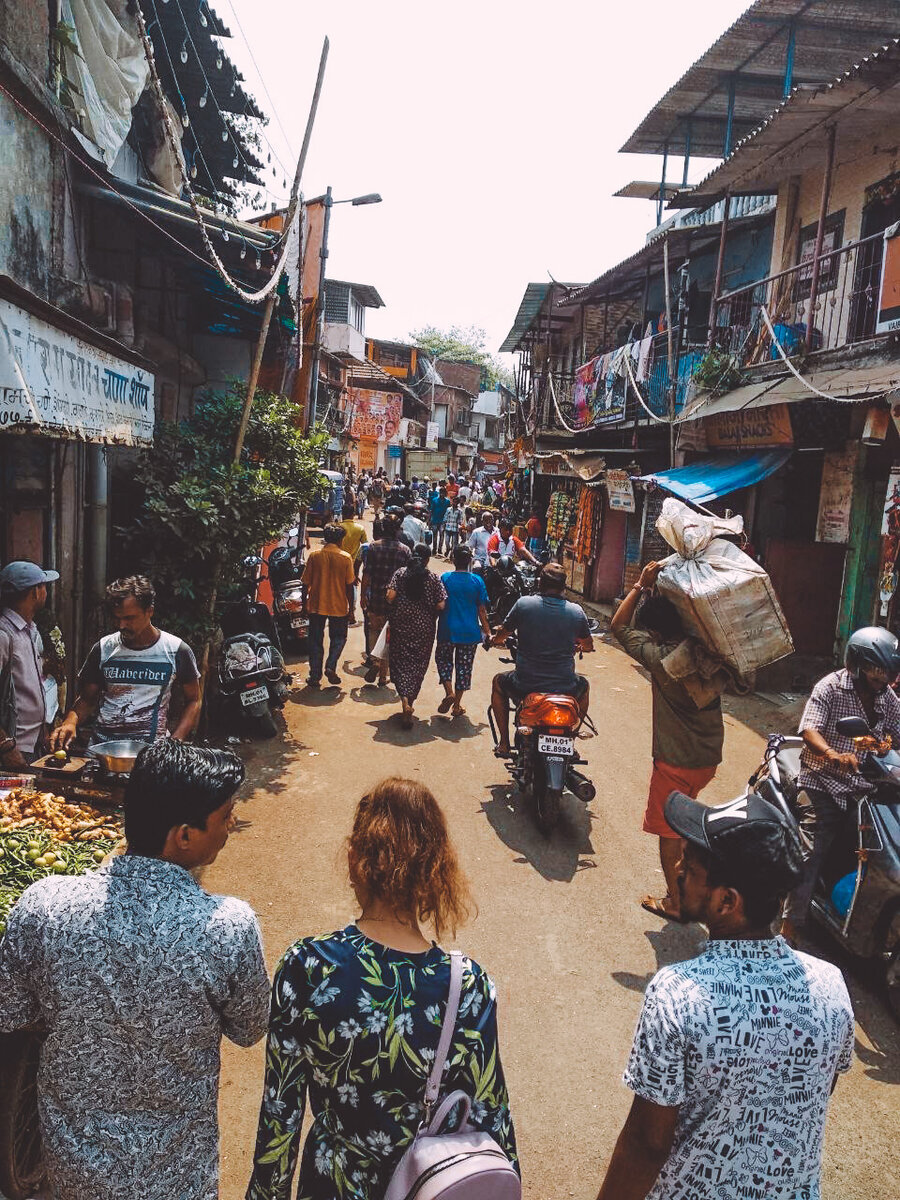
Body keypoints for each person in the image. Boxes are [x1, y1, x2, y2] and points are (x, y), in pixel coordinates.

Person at [0, 739, 270, 1200]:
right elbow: (249, 1028)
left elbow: (12, 1011)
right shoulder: (229, 926)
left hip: (74, 1168)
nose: (230, 828)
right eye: (225, 818)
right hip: (177, 1173)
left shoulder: (44, 905)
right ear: (183, 835)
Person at [245, 777, 518, 1200]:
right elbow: (491, 1114)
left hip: (329, 1185)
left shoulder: (308, 967)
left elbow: (280, 1115)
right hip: (427, 1187)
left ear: (355, 859)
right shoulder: (468, 986)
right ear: (436, 870)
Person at [596, 789, 853, 1200]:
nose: (678, 868)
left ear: (727, 901)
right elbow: (809, 1096)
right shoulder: (831, 986)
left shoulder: (677, 995)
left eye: (692, 867)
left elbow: (647, 1145)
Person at [610, 561, 724, 923]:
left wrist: (641, 586)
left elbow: (617, 626)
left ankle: (677, 902)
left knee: (667, 830)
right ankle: (695, 888)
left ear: (656, 632)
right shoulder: (707, 652)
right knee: (686, 824)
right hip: (707, 759)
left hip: (675, 762)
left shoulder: (660, 659)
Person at [782, 625, 900, 945]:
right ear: (858, 665)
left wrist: (889, 742)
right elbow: (809, 730)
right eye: (877, 673)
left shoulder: (887, 699)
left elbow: (895, 733)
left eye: (887, 673)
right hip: (822, 780)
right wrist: (833, 755)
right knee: (814, 844)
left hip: (864, 787)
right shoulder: (831, 687)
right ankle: (789, 927)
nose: (883, 680)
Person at [51, 576, 200, 751]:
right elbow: (86, 699)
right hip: (102, 750)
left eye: (129, 618)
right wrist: (70, 722)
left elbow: (194, 700)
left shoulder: (176, 650)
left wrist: (176, 741)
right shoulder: (103, 649)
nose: (121, 625)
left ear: (149, 611)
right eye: (117, 618)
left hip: (151, 753)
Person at [490, 562, 593, 757]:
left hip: (525, 683)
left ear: (539, 583)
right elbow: (588, 645)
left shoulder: (523, 604)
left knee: (498, 683)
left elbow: (502, 635)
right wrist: (578, 646)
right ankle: (570, 739)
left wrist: (494, 639)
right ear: (564, 587)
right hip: (565, 685)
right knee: (584, 686)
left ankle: (504, 743)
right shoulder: (576, 611)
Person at [0, 560, 59, 768]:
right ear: (35, 592)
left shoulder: (30, 630)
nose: (46, 592)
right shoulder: (4, 635)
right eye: (44, 586)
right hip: (13, 749)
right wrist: (5, 746)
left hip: (33, 745)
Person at [385, 545, 447, 728]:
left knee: (399, 664)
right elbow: (442, 605)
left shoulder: (400, 574)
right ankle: (410, 703)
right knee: (417, 667)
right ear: (427, 560)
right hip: (424, 631)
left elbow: (390, 597)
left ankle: (404, 701)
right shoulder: (434, 578)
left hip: (401, 627)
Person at [436, 544, 491, 718]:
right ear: (469, 561)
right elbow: (482, 610)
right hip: (469, 632)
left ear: (453, 560)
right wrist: (488, 632)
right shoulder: (477, 581)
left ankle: (449, 691)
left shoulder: (445, 578)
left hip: (447, 629)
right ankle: (457, 705)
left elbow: (438, 605)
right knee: (464, 668)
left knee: (444, 661)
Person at [302, 523, 356, 688]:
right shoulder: (346, 558)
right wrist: (351, 609)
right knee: (339, 638)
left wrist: (304, 604)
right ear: (340, 540)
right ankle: (331, 665)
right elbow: (349, 586)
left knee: (315, 640)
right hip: (338, 606)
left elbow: (305, 583)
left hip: (317, 604)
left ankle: (315, 676)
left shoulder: (314, 556)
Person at [361, 515, 411, 686]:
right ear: (398, 529)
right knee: (390, 637)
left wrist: (362, 596)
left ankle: (374, 661)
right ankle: (383, 676)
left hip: (375, 597)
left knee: (374, 630)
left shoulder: (373, 547)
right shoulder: (405, 550)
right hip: (395, 602)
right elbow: (408, 579)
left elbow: (366, 574)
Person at [340, 503, 367, 572]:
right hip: (353, 562)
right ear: (353, 514)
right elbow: (365, 545)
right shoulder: (360, 528)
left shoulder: (338, 527)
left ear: (342, 514)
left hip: (339, 560)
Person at [428, 484, 450, 554]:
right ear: (439, 493)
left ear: (445, 493)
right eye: (441, 492)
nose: (442, 494)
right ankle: (434, 549)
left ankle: (439, 548)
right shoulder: (434, 500)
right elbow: (431, 510)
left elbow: (449, 511)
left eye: (443, 492)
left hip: (443, 521)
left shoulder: (447, 501)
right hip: (434, 520)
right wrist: (429, 520)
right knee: (435, 535)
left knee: (441, 535)